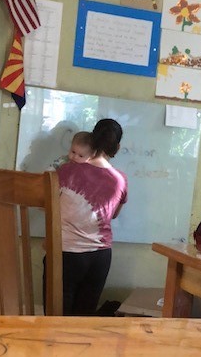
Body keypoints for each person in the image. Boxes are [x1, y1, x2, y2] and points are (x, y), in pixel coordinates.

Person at [50, 118, 128, 315]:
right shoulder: (120, 180)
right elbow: (114, 214)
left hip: (66, 252)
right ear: (117, 147)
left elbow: (47, 205)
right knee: (84, 320)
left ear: (93, 139)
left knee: (56, 318)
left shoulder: (66, 170)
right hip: (100, 256)